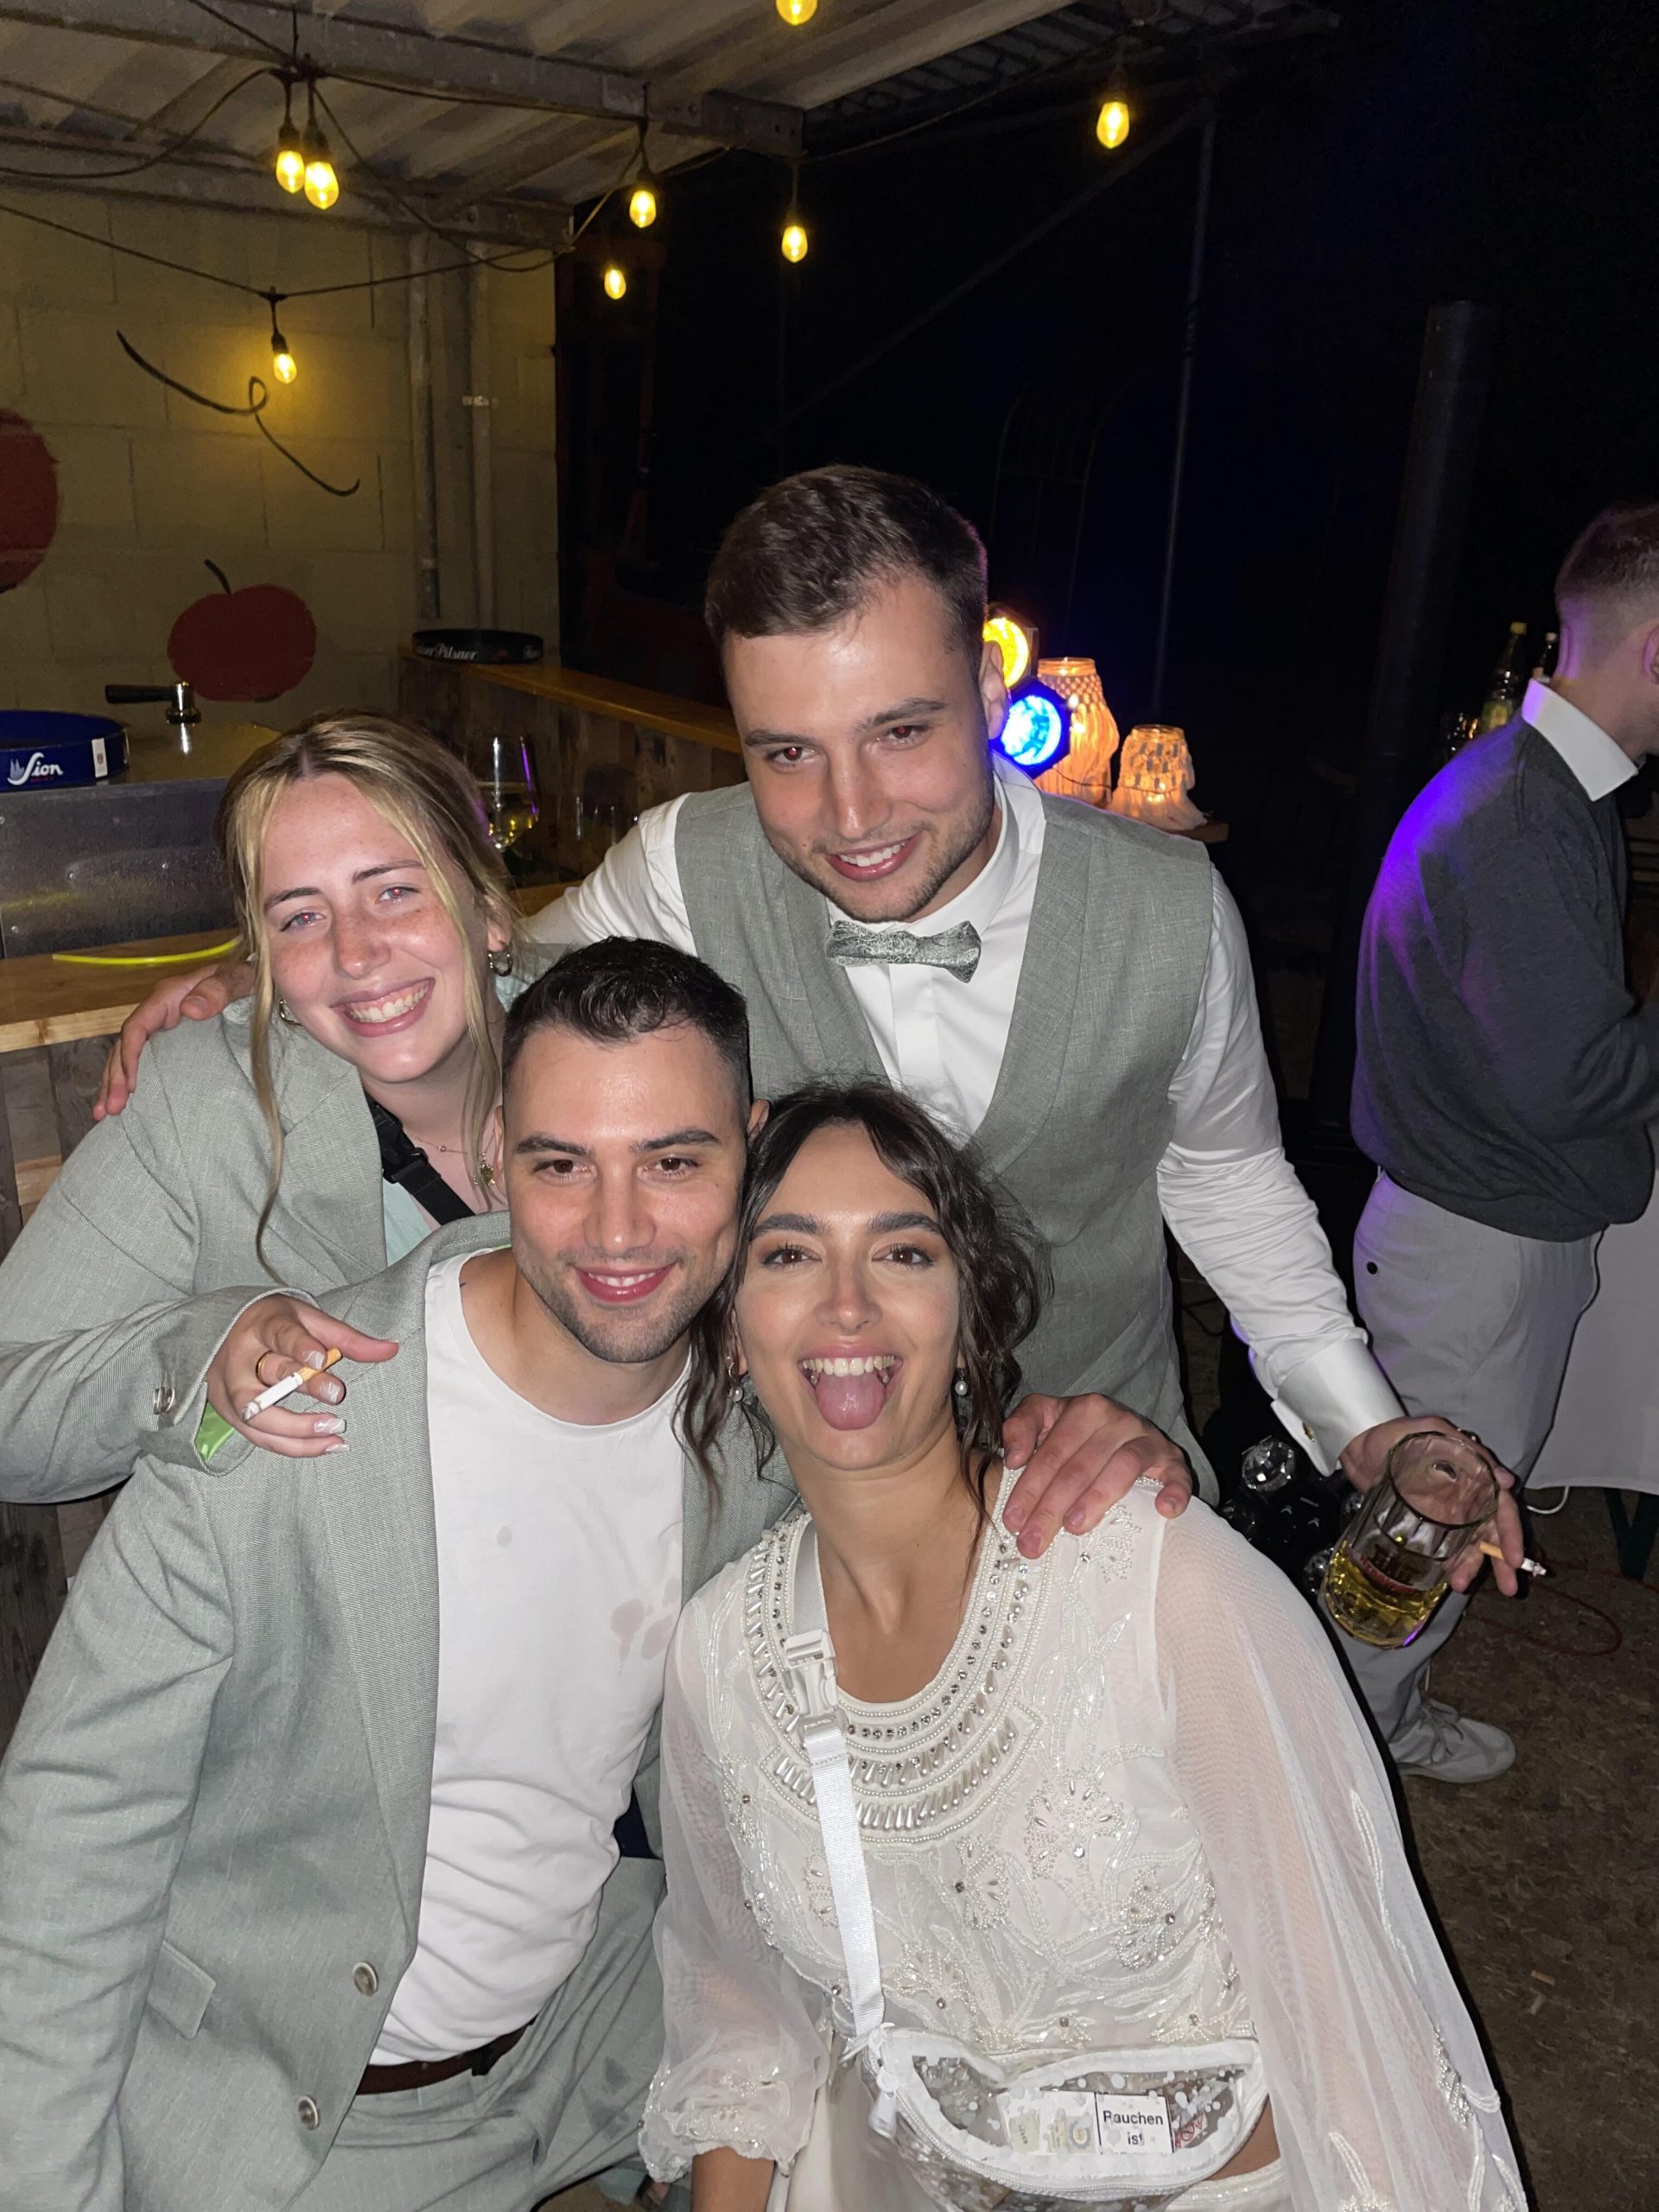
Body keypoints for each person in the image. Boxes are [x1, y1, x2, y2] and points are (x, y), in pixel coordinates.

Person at [102, 467, 1522, 1603]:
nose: (849, 816)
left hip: (1092, 1476)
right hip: (791, 1507)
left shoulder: (1170, 910)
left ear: (994, 692)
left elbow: (1227, 1178)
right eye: (787, 752)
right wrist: (270, 970)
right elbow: (487, 978)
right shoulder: (686, 863)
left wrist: (1362, 1421)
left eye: (901, 733)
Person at [0, 944, 1180, 2212]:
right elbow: (68, 1844)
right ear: (496, 1151)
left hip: (601, 2029)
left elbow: (936, 1459)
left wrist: (1098, 1445)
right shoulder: (289, 1413)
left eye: (674, 1163)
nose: (620, 1233)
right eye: (563, 1166)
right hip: (325, 2112)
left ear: (752, 1151)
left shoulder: (761, 1409)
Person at [641, 1083, 1528, 2212]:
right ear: (727, 1329)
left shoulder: (1159, 1584)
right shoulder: (722, 1656)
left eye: (903, 1253)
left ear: (971, 1320)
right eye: (789, 1256)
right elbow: (738, 2025)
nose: (849, 1307)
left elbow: (1355, 2026)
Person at [0, 710, 1142, 1525]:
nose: (356, 954)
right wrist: (199, 1358)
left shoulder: (640, 1052)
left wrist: (1041, 1435)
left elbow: (882, 1285)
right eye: (301, 918)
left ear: (489, 908)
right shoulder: (206, 1106)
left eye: (396, 890)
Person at [1348, 502, 1659, 1783]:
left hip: (1477, 1230)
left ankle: (1359, 1722)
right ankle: (1347, 1749)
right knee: (1417, 1534)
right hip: (1474, 1247)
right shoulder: (1531, 813)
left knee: (1426, 1524)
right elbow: (1574, 1080)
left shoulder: (1545, 786)